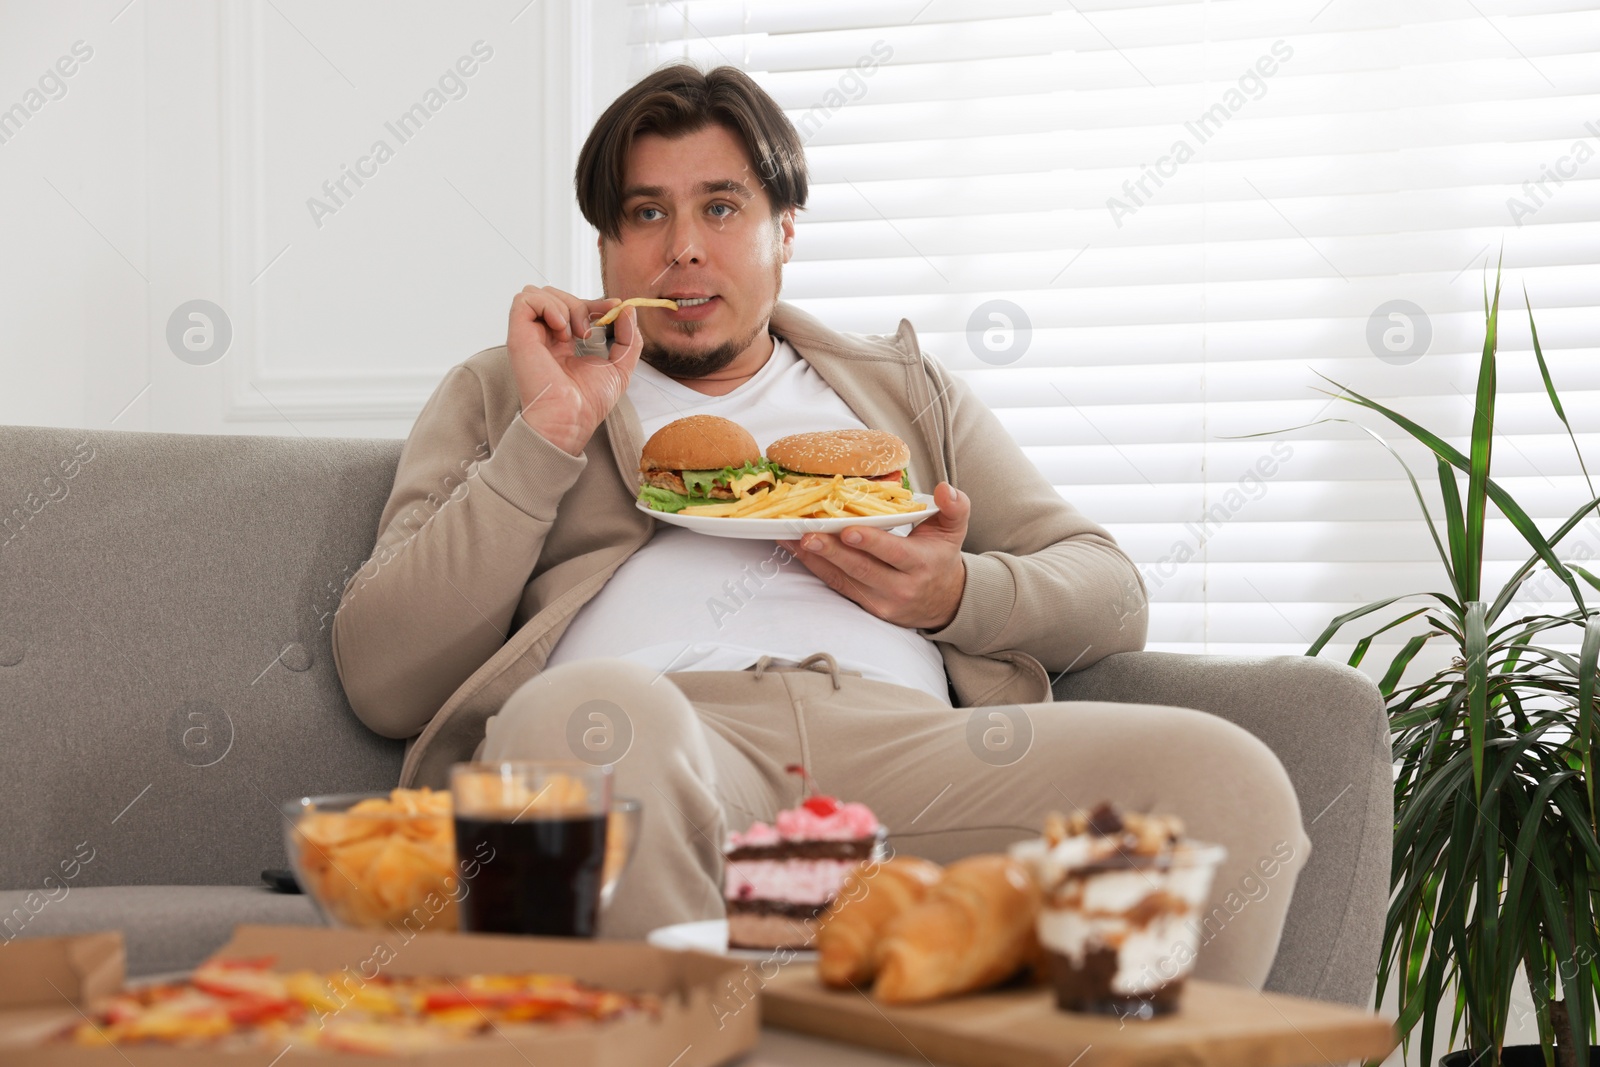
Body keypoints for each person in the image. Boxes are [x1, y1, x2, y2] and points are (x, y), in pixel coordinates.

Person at [331, 62, 1311, 990]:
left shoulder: (904, 394)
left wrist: (952, 593)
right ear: (605, 249)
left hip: (908, 750)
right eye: (646, 212)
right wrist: (550, 431)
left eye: (720, 207)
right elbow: (385, 677)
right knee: (582, 721)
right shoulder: (510, 390)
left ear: (784, 230)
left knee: (1227, 783)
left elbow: (1108, 589)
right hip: (655, 738)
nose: (682, 247)